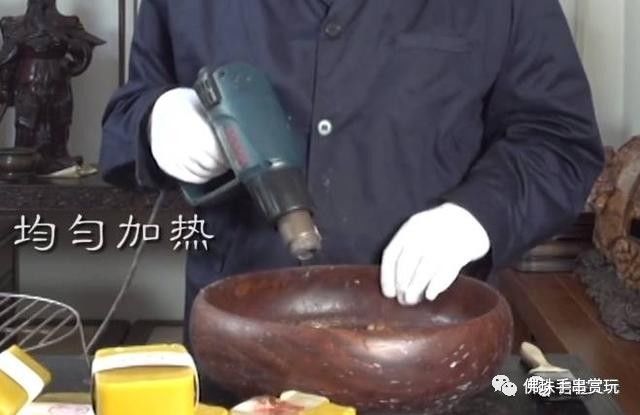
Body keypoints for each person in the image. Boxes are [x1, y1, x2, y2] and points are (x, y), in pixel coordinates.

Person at [100, 0, 603, 385]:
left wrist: (476, 216)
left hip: (429, 360)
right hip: (237, 360)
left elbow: (559, 140)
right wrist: (154, 123)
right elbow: (124, 120)